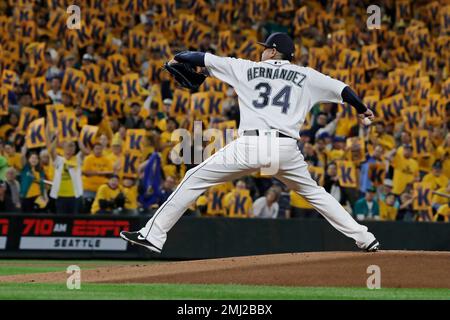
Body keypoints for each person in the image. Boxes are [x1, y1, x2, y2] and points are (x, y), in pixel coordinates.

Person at [120, 32, 379, 253]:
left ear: (274, 51)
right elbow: (343, 90)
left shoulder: (246, 68)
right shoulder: (307, 75)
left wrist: (175, 58)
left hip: (250, 146)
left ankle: (152, 236)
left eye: (266, 48)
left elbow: (197, 57)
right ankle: (365, 238)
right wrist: (362, 109)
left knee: (194, 178)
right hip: (286, 149)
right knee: (316, 194)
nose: (263, 52)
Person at [46, 128, 88, 214]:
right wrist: (56, 138)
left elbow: (84, 151)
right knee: (61, 220)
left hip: (74, 196)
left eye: (72, 146)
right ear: (63, 148)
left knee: (73, 219)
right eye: (68, 146)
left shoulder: (77, 159)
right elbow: (50, 150)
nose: (70, 148)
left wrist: (78, 138)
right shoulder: (59, 160)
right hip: (60, 195)